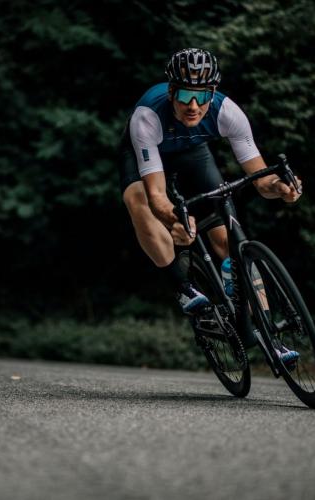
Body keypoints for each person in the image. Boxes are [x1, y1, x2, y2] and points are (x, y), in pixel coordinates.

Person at [117, 47, 301, 362]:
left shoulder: (228, 112)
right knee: (139, 203)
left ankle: (269, 336)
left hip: (192, 154)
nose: (193, 105)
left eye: (202, 96)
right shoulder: (147, 117)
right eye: (185, 95)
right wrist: (175, 220)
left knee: (228, 242)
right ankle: (182, 286)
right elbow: (157, 195)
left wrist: (281, 188)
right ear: (172, 92)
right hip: (143, 157)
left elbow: (261, 180)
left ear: (212, 93)